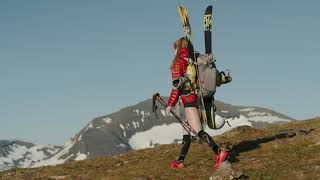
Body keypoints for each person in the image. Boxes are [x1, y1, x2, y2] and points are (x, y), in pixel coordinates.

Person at [166, 37, 228, 169]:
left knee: (198, 131)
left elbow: (176, 86)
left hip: (188, 100)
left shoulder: (178, 62)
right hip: (195, 97)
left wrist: (170, 103)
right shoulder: (193, 59)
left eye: (174, 48)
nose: (173, 51)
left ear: (177, 48)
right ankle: (180, 161)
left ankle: (219, 152)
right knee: (186, 130)